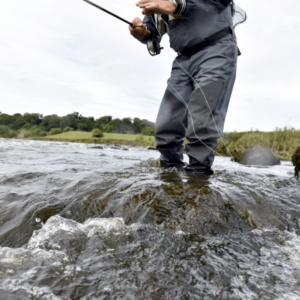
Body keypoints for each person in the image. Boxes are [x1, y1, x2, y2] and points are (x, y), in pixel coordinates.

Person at [129, 0, 239, 176]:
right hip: (183, 60)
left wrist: (177, 5)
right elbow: (151, 32)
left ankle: (198, 182)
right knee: (166, 128)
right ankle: (170, 178)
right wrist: (142, 33)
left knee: (202, 122)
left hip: (217, 50)